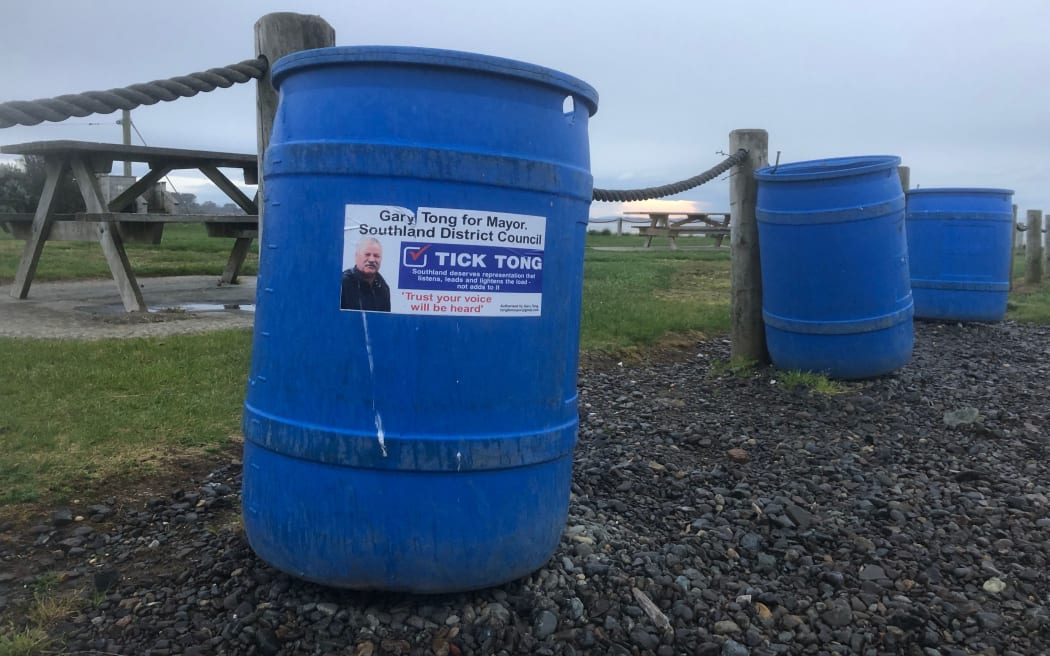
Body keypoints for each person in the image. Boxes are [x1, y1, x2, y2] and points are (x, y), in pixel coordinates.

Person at [340, 237, 391, 311]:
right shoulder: (343, 283)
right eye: (367, 254)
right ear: (356, 256)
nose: (372, 260)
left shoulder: (383, 288)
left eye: (376, 256)